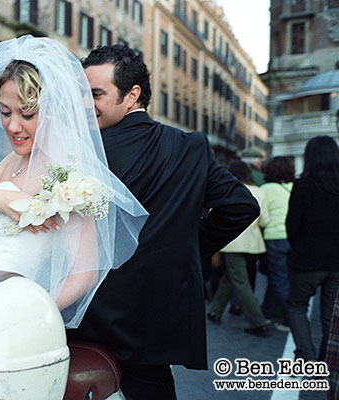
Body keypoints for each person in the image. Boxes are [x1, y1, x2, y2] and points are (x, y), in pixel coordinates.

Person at [66, 44, 260, 399]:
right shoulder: (190, 147)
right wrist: (188, 247)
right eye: (81, 93)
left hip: (88, 312)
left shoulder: (80, 148)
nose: (83, 104)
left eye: (95, 94)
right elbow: (241, 206)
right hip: (154, 315)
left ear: (132, 94)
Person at [0, 36, 148, 329]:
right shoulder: (11, 163)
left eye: (27, 114)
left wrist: (35, 311)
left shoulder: (70, 178)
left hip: (3, 313)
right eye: (5, 112)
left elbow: (84, 272)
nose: (13, 126)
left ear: (53, 109)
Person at [285, 135, 339, 362]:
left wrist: (298, 244)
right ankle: (326, 358)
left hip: (306, 258)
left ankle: (306, 356)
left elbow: (292, 225)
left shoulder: (302, 185)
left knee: (296, 305)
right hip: (337, 261)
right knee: (330, 314)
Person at [207, 160, 271, 336]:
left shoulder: (227, 190)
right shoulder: (260, 191)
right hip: (254, 244)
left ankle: (257, 321)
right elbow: (265, 220)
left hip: (232, 243)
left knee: (239, 282)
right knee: (230, 278)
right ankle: (215, 311)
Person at [260, 156, 294, 330]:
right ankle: (266, 310)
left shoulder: (265, 189)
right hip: (292, 237)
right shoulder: (293, 186)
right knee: (281, 277)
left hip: (274, 237)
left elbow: (262, 219)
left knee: (279, 279)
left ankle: (291, 319)